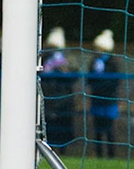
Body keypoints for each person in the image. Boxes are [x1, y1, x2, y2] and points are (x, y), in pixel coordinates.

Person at [85, 29, 122, 157]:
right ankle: (99, 154)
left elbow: (115, 82)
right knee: (98, 129)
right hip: (97, 99)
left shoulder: (112, 63)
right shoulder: (94, 63)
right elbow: (89, 80)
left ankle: (111, 154)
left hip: (109, 100)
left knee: (109, 128)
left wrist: (101, 83)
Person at [40, 27, 77, 152]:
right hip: (47, 98)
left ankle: (62, 150)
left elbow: (74, 75)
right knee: (48, 126)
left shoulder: (67, 59)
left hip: (63, 99)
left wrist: (64, 70)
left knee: (63, 126)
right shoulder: (43, 58)